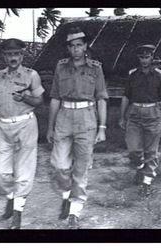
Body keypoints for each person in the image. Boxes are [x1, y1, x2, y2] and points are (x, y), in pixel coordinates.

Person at [46, 27, 108, 229]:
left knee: (81, 167)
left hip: (86, 118)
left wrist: (102, 127)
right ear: (68, 48)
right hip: (64, 116)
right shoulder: (61, 67)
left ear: (85, 45)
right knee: (59, 166)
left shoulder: (95, 68)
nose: (75, 49)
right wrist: (50, 127)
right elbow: (55, 97)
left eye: (79, 45)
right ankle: (66, 194)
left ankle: (75, 210)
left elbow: (101, 99)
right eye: (72, 46)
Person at [0, 38, 45, 229]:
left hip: (25, 124)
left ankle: (18, 211)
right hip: (2, 126)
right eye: (9, 54)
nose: (13, 58)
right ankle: (11, 196)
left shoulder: (31, 75)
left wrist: (25, 97)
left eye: (16, 54)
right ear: (4, 56)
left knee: (24, 170)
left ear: (22, 55)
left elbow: (39, 101)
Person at [118, 44, 161, 197]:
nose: (144, 60)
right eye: (142, 57)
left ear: (152, 57)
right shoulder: (133, 75)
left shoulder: (160, 76)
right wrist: (122, 116)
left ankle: (146, 183)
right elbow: (126, 97)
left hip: (153, 114)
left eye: (147, 57)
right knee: (134, 149)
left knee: (151, 150)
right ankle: (140, 166)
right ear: (138, 58)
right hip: (135, 114)